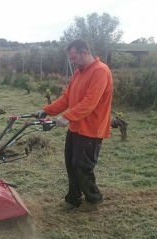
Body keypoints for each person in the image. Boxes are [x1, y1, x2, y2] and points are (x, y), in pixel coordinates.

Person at [37, 38, 113, 212]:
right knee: (71, 165)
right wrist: (47, 110)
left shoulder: (100, 71)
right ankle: (73, 199)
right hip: (76, 127)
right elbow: (66, 98)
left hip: (91, 128)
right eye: (71, 59)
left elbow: (90, 102)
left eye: (74, 58)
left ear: (85, 53)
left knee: (82, 166)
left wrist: (67, 117)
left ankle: (94, 200)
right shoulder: (80, 72)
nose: (72, 62)